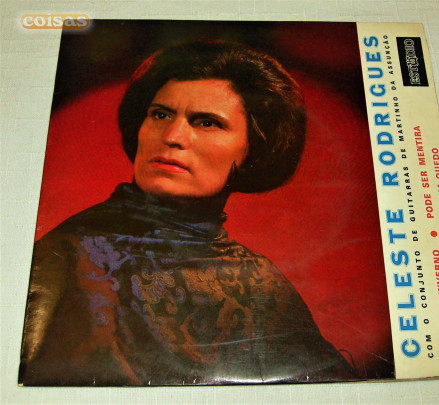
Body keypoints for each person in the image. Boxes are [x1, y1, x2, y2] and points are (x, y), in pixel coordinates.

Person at [19, 41, 356, 386]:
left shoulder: (260, 280)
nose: (172, 136)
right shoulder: (69, 255)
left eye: (207, 122)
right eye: (160, 115)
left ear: (252, 150)